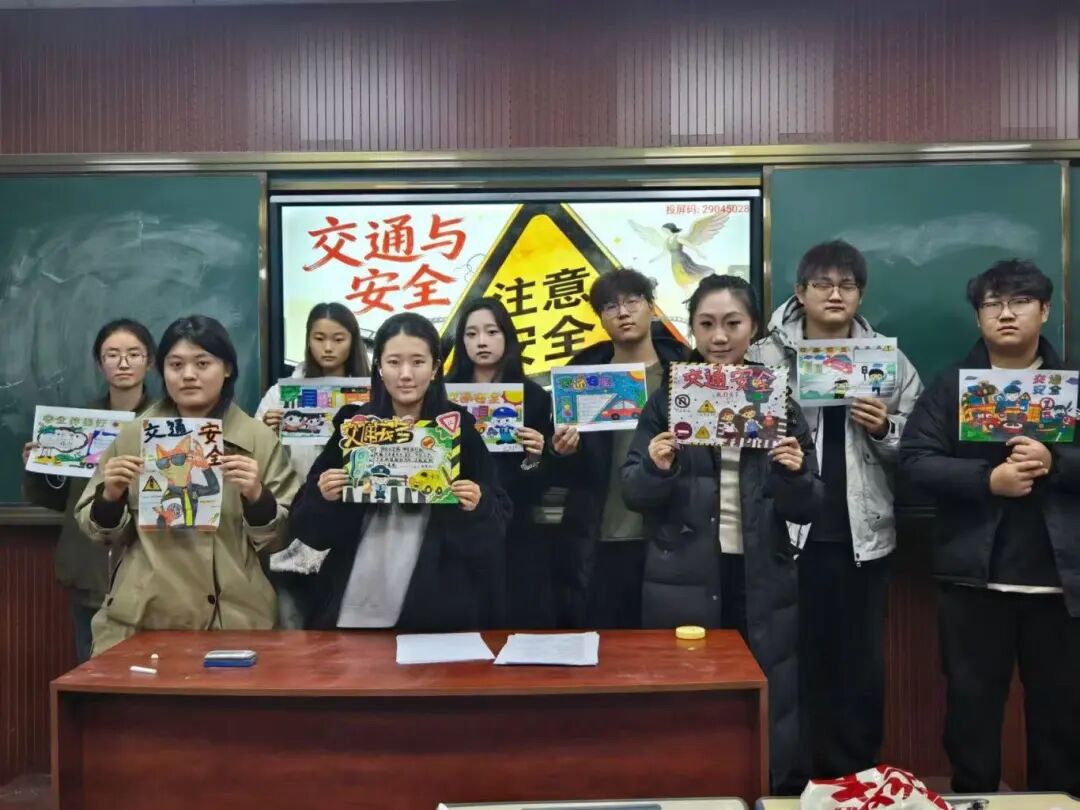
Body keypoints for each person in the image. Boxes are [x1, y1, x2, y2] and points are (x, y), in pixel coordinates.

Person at [621, 273, 821, 793]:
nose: (719, 336)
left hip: (760, 573)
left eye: (732, 323)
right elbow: (634, 493)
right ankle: (687, 793)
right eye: (706, 324)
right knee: (688, 701)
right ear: (691, 329)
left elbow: (808, 506)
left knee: (765, 698)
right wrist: (657, 467)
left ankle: (766, 791)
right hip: (683, 575)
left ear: (753, 328)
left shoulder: (776, 401)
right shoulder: (669, 399)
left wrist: (796, 474)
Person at [900, 259, 1080, 795]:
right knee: (971, 715)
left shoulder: (1071, 386)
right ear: (978, 316)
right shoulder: (951, 386)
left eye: (1020, 301)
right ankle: (974, 799)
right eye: (992, 304)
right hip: (974, 581)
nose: (1006, 313)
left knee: (1062, 718)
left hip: (1060, 584)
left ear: (1044, 310)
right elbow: (915, 462)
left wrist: (1055, 462)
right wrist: (988, 481)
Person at [748, 240, 923, 778]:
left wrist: (886, 428)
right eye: (822, 284)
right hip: (784, 538)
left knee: (857, 668)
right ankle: (789, 780)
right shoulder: (763, 358)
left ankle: (853, 780)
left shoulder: (887, 360)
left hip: (861, 540)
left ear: (860, 295)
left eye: (847, 285)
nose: (835, 294)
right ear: (799, 292)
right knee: (789, 664)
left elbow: (920, 444)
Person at [76, 315, 299, 655]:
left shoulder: (258, 439)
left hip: (234, 619)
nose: (189, 375)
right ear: (162, 370)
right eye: (176, 364)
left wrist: (257, 497)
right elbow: (96, 530)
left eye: (202, 363)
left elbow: (283, 537)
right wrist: (110, 496)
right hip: (143, 618)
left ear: (227, 368)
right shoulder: (135, 435)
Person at [291, 312, 511, 631]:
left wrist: (478, 504)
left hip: (436, 610)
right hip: (354, 604)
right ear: (379, 367)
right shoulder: (355, 426)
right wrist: (322, 495)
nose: (406, 374)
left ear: (435, 368)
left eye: (418, 362)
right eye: (394, 362)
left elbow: (496, 525)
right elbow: (309, 529)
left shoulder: (458, 428)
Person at [549, 268, 688, 628]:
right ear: (601, 319)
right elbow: (564, 471)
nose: (623, 313)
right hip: (602, 534)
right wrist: (562, 452)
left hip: (671, 534)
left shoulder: (685, 373)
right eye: (610, 307)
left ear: (652, 307)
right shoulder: (581, 380)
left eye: (632, 302)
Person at [21, 319, 155, 663]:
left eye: (133, 354)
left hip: (152, 571)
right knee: (92, 671)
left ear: (150, 362)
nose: (123, 363)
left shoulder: (167, 424)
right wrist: (38, 467)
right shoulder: (77, 426)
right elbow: (59, 500)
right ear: (99, 363)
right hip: (90, 568)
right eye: (112, 354)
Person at [255, 302, 372, 628]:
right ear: (308, 340)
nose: (328, 347)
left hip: (353, 520)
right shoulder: (282, 394)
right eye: (319, 338)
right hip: (296, 518)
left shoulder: (371, 394)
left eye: (338, 338)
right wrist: (267, 430)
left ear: (353, 341)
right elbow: (257, 457)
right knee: (293, 612)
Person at [446, 297, 554, 627]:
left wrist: (534, 458)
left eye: (492, 332)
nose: (481, 341)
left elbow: (540, 483)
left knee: (514, 620)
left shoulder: (534, 397)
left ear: (507, 337)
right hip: (454, 527)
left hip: (514, 530)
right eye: (471, 333)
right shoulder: (442, 396)